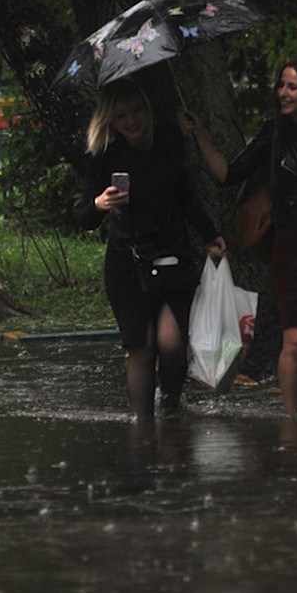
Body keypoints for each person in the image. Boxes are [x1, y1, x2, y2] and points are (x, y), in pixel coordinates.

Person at [182, 60, 297, 415]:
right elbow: (228, 173)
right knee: (295, 340)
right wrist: (199, 134)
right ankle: (292, 418)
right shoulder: (274, 133)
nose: (283, 93)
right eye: (281, 85)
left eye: (292, 87)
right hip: (291, 249)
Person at [79, 79, 227, 420]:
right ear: (112, 122)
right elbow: (83, 217)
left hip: (173, 254)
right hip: (128, 261)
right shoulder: (105, 154)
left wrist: (208, 233)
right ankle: (141, 425)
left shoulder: (170, 140)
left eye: (137, 111)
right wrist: (99, 204)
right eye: (122, 116)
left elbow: (186, 196)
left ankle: (171, 407)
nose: (132, 121)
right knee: (141, 349)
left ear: (147, 109)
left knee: (172, 343)